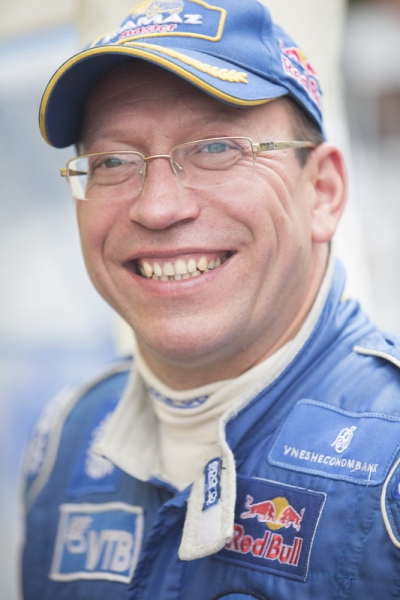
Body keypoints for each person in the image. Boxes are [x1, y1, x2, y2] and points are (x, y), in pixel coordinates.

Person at [22, 1, 400, 599]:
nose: (158, 207)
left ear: (323, 192)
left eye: (217, 148)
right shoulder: (65, 438)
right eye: (113, 161)